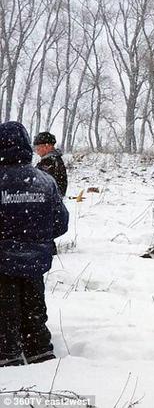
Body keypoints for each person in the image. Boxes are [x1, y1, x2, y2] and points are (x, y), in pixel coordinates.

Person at [0, 122, 69, 367]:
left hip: (3, 262)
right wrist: (36, 237)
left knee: (5, 311)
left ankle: (7, 355)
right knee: (34, 308)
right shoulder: (45, 181)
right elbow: (61, 223)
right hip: (35, 260)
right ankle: (39, 352)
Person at [33, 131, 68, 197]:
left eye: (38, 148)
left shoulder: (49, 162)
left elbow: (38, 182)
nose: (37, 152)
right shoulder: (55, 160)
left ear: (47, 146)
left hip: (47, 200)